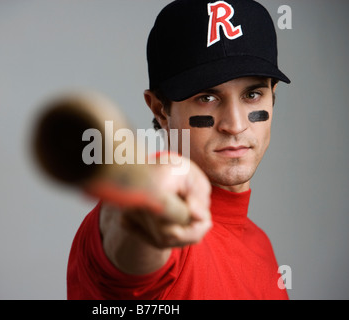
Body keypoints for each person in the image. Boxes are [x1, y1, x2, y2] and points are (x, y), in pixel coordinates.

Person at [67, 0, 291, 299]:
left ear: (272, 98)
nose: (235, 124)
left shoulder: (261, 246)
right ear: (160, 109)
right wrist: (144, 208)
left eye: (252, 94)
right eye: (207, 98)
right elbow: (132, 236)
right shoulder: (163, 220)